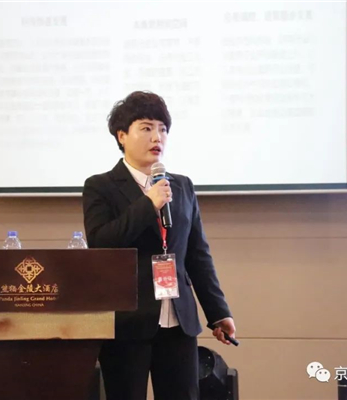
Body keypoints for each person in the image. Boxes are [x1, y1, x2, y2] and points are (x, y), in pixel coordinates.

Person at [82, 91, 236, 400]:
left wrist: (218, 312)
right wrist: (147, 204)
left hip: (178, 321)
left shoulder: (182, 185)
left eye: (163, 129)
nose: (158, 137)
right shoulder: (100, 186)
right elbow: (101, 242)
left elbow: (197, 255)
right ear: (122, 136)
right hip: (127, 323)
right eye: (147, 128)